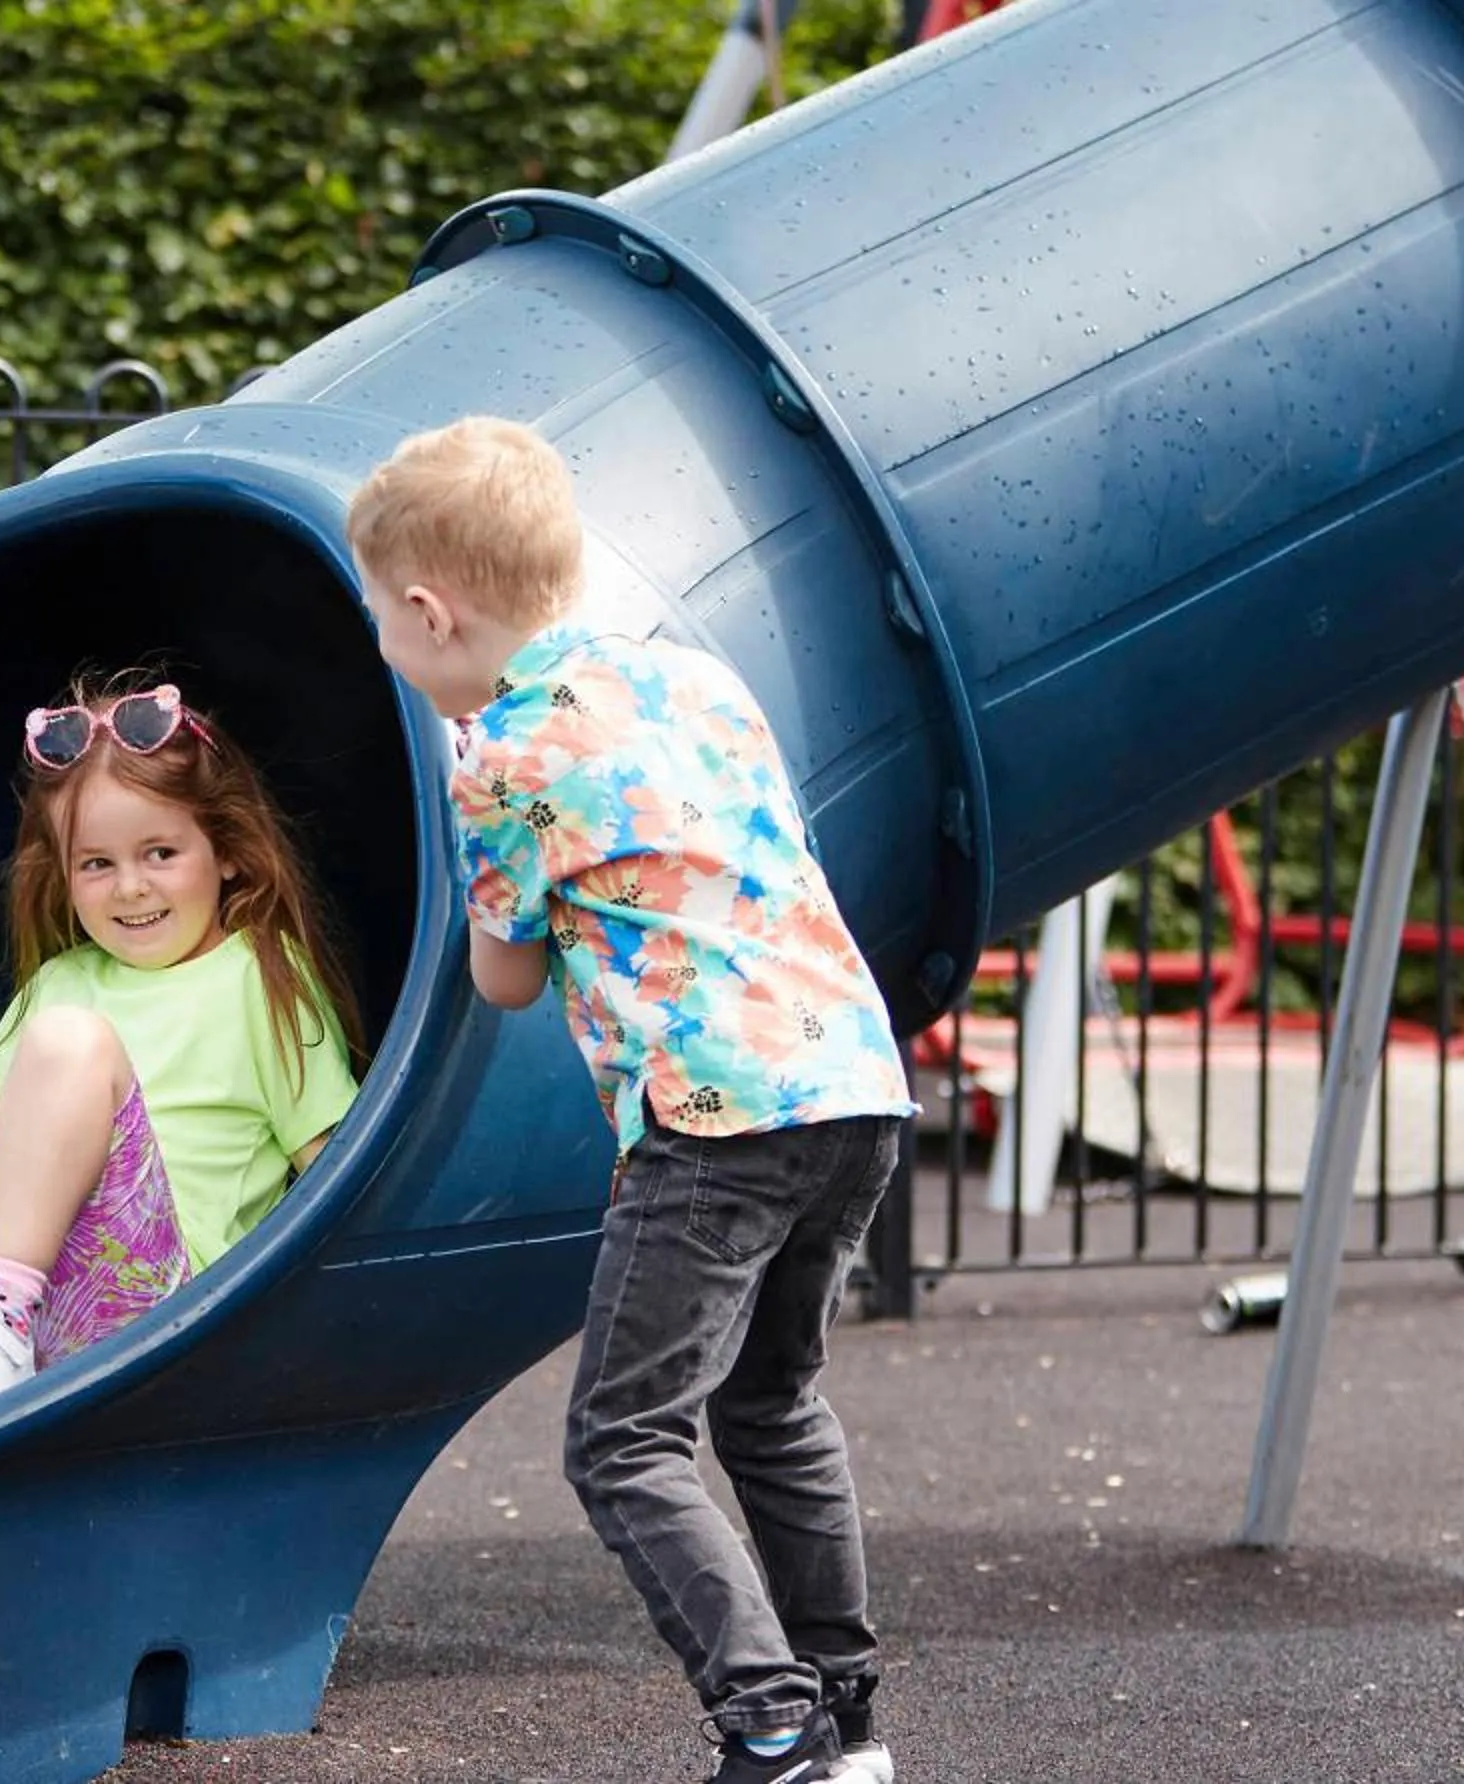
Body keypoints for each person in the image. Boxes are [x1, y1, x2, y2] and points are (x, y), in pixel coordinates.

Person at [349, 417, 915, 1784]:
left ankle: (769, 1723)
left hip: (712, 1117)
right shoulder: (695, 678)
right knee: (772, 1402)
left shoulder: (501, 753)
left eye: (380, 617)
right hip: (851, 1079)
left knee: (623, 1440)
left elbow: (501, 978)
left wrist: (483, 864)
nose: (384, 644)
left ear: (431, 609)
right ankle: (846, 1718)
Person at [0, 672, 364, 1461]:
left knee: (70, 1040)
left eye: (160, 853)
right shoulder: (61, 982)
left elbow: (336, 1175)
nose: (131, 887)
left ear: (227, 853)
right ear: (63, 874)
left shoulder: (261, 976)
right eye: (97, 864)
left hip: (155, 1311)